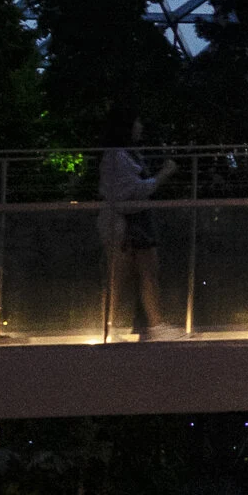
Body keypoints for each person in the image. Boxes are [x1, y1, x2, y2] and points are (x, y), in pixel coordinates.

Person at [99, 107, 179, 341]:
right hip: (126, 220)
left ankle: (149, 324)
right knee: (123, 275)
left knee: (142, 272)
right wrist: (165, 174)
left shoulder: (127, 154)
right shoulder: (117, 156)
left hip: (135, 219)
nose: (140, 126)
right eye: (137, 122)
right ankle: (115, 327)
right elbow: (134, 191)